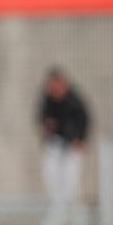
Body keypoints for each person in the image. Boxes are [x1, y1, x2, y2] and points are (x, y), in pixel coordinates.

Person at [37, 68, 91, 211]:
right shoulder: (48, 100)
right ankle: (56, 205)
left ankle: (72, 208)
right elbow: (41, 119)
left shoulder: (74, 100)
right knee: (51, 175)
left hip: (72, 145)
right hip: (56, 143)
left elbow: (84, 120)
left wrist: (80, 139)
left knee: (71, 180)